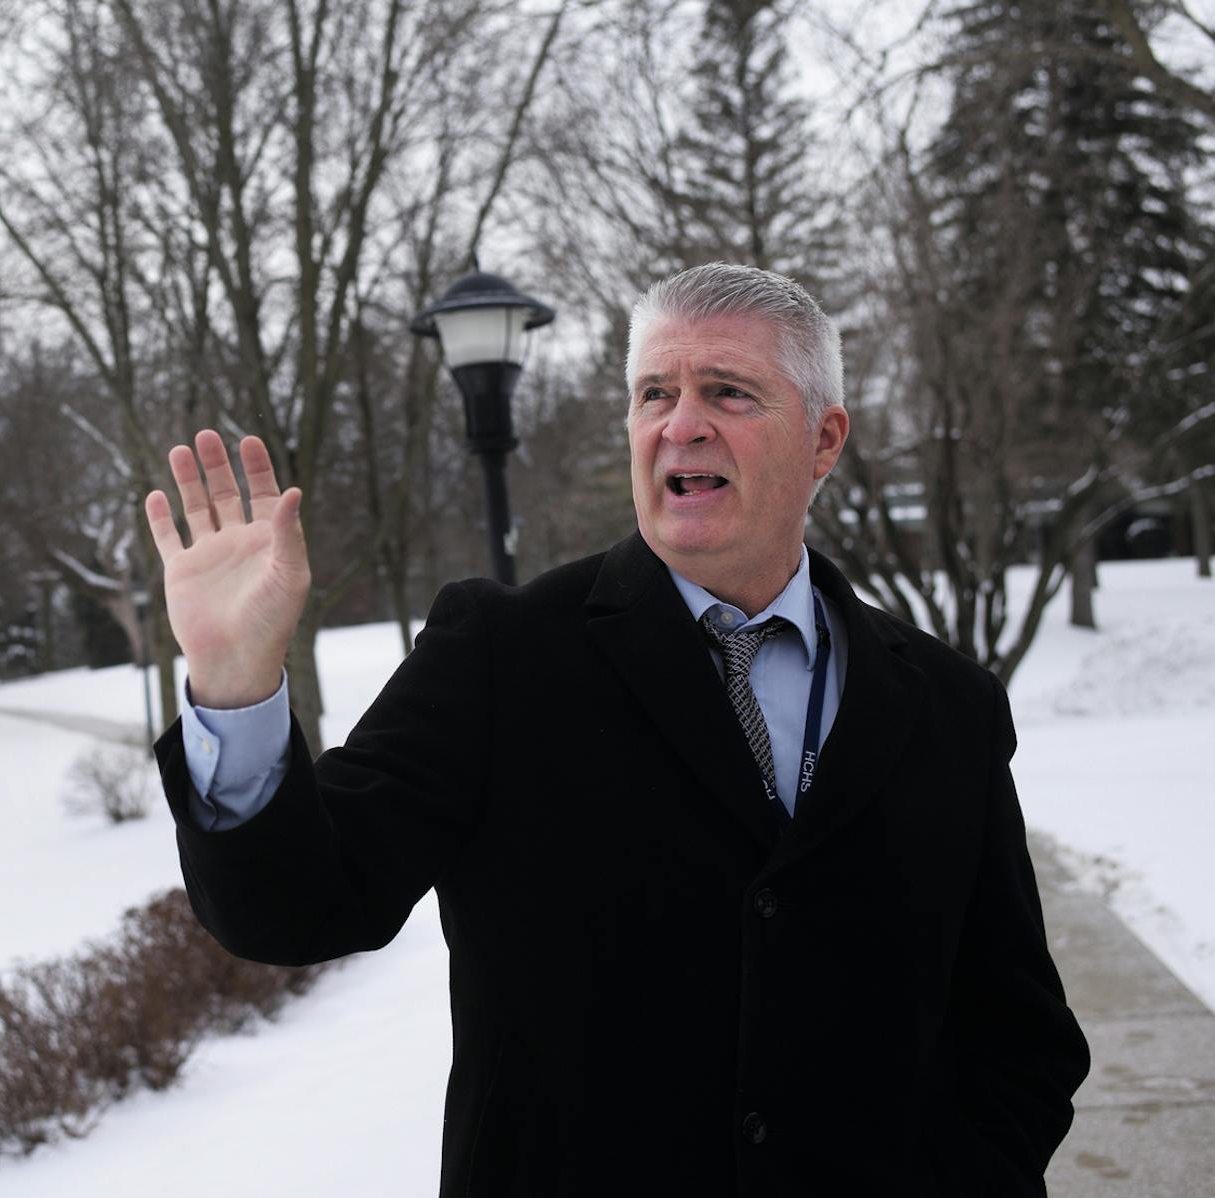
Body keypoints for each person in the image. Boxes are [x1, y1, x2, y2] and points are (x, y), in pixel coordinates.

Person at [141, 263, 1090, 1196]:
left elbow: (1020, 1039)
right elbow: (298, 904)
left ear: (824, 439)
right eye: (654, 394)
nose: (681, 424)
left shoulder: (948, 703)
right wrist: (233, 686)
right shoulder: (499, 656)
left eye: (728, 391)